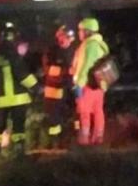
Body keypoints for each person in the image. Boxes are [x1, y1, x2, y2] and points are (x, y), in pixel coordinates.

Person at [0, 23, 39, 157]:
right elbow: (21, 73)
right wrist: (35, 86)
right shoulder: (11, 52)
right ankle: (19, 151)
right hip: (16, 97)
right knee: (18, 126)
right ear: (14, 38)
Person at [71, 17, 110, 146]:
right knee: (98, 110)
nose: (79, 33)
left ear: (87, 31)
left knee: (84, 112)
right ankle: (98, 138)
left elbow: (85, 66)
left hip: (87, 85)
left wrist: (79, 85)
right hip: (99, 85)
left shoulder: (89, 45)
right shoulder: (100, 44)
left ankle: (84, 140)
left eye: (80, 30)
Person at [42, 24, 77, 149]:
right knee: (54, 120)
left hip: (69, 89)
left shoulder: (73, 51)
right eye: (65, 37)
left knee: (73, 116)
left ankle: (72, 143)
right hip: (54, 90)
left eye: (69, 38)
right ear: (59, 37)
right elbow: (49, 70)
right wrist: (66, 71)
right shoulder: (51, 51)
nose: (67, 41)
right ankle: (54, 144)